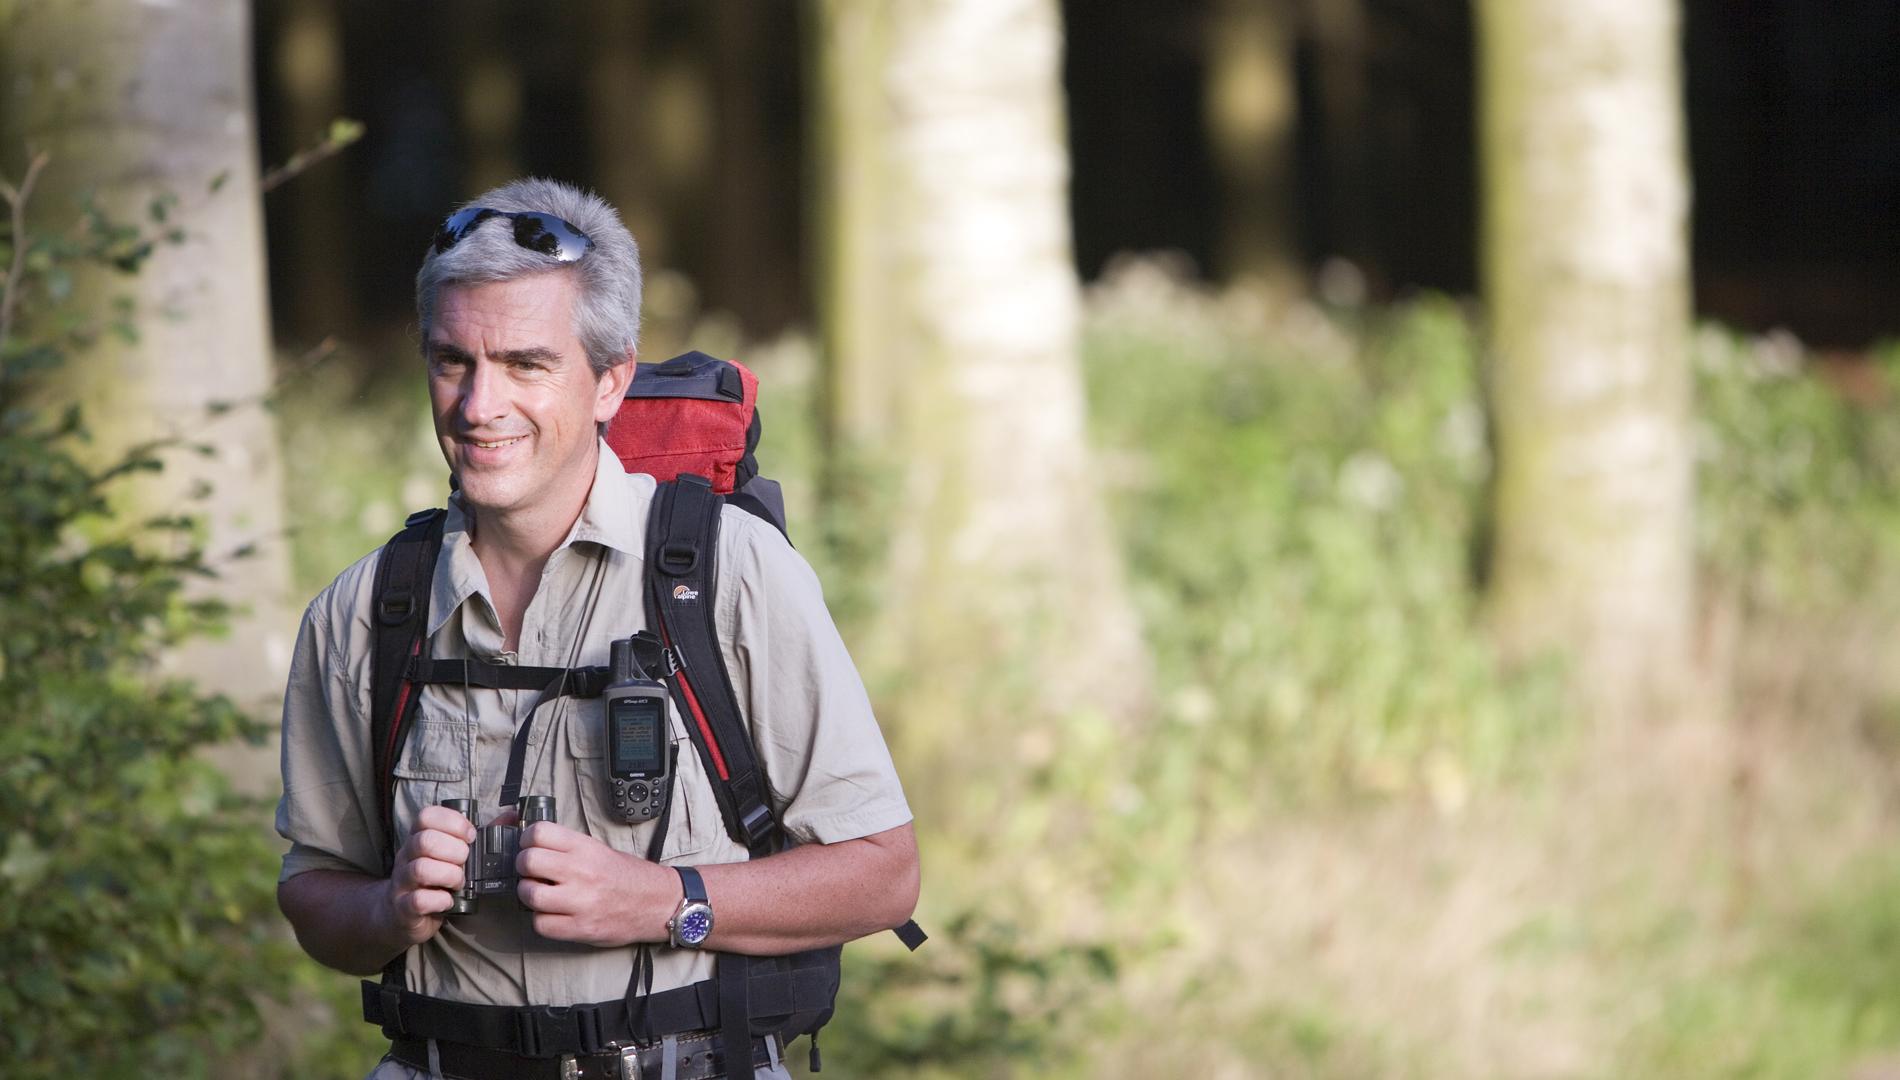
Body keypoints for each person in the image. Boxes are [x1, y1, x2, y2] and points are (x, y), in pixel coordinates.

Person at [276, 177, 919, 1080]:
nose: (477, 406)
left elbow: (884, 874)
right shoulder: (363, 612)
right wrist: (387, 908)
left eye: (526, 364)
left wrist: (666, 901)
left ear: (611, 380)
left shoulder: (729, 574)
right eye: (452, 361)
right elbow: (313, 894)